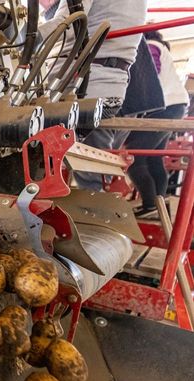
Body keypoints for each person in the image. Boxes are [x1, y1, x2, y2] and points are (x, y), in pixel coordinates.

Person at [39, 0, 148, 191]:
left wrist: (19, 39)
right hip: (111, 87)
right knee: (88, 170)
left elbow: (68, 24)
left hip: (87, 86)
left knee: (51, 159)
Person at [124, 31, 190, 218]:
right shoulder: (161, 47)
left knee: (133, 158)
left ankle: (150, 205)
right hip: (175, 106)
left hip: (164, 106)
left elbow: (150, 74)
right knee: (154, 159)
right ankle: (159, 204)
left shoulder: (150, 45)